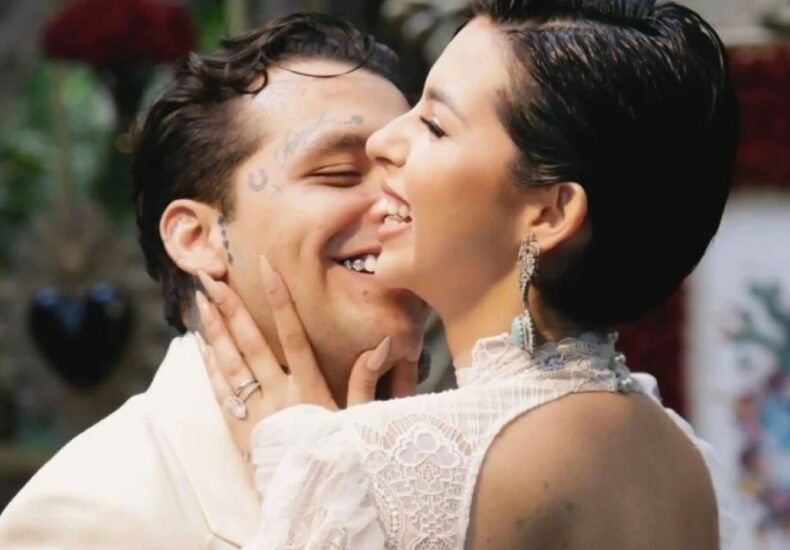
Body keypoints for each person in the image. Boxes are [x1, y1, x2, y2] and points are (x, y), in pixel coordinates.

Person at [195, 0, 741, 548]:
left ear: (550, 214)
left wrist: (310, 462)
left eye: (434, 126)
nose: (383, 143)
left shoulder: (378, 466)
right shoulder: (686, 460)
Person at [0, 14, 429, 548]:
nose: (404, 205)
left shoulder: (462, 459)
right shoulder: (89, 515)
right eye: (339, 174)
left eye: (413, 174)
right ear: (196, 238)